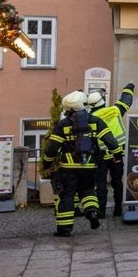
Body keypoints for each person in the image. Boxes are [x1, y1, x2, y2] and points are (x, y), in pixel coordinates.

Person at [40, 91, 119, 237]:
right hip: (89, 166)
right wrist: (118, 155)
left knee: (67, 195)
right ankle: (92, 211)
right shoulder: (96, 121)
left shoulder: (63, 125)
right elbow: (111, 141)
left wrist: (47, 163)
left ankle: (64, 229)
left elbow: (52, 148)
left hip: (68, 168)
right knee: (88, 191)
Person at [89, 83, 136, 219]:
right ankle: (117, 209)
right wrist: (129, 88)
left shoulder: (91, 118)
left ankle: (101, 211)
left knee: (101, 183)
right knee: (117, 181)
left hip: (101, 155)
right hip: (118, 153)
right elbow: (126, 100)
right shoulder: (115, 110)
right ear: (102, 102)